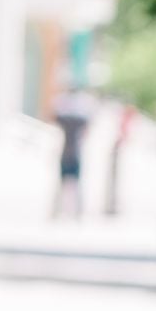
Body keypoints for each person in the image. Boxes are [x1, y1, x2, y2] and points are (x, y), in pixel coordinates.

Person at [54, 82, 96, 218]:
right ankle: (74, 212)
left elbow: (55, 115)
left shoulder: (67, 118)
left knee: (65, 185)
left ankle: (64, 211)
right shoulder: (78, 118)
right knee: (73, 184)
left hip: (68, 153)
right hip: (73, 153)